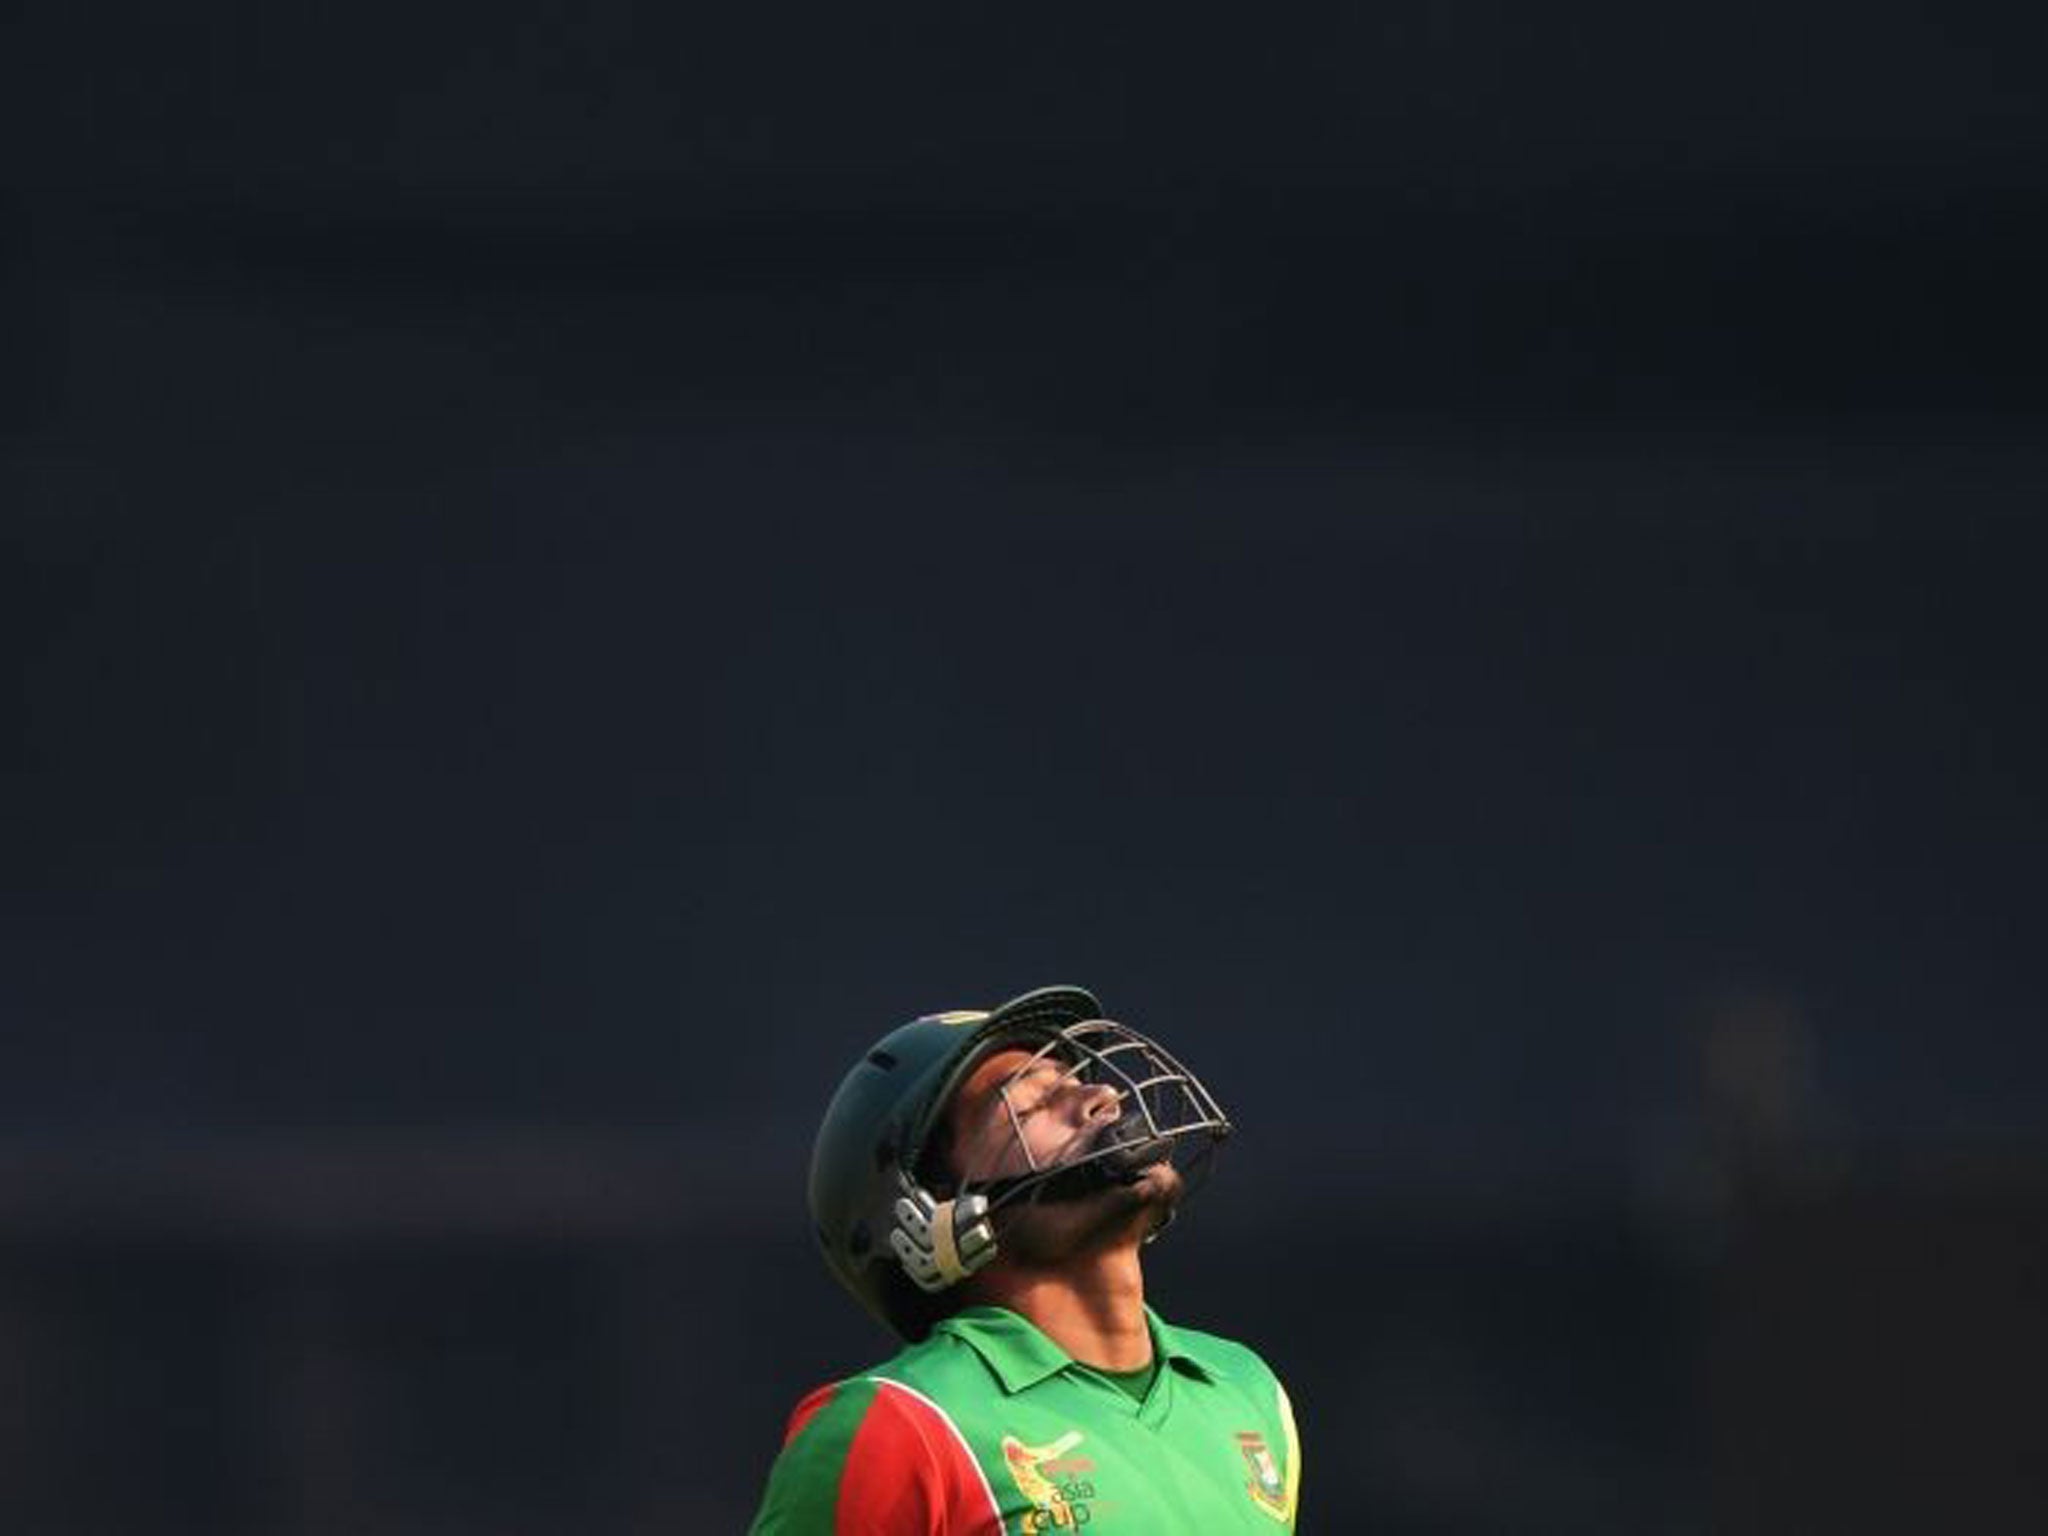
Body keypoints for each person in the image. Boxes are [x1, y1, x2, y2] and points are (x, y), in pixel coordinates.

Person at [748, 985, 1302, 1533]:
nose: (1102, 1097)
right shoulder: (898, 1425)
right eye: (1029, 1100)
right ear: (928, 1211)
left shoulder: (1245, 1388)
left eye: (1076, 1079)